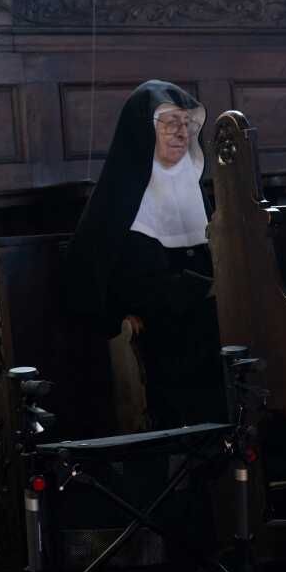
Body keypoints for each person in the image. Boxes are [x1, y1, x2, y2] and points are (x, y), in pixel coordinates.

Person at [65, 80, 224, 430]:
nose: (181, 133)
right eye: (170, 123)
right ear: (142, 131)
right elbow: (121, 283)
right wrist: (204, 289)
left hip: (208, 325)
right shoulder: (119, 197)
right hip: (159, 336)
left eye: (186, 124)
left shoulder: (194, 189)